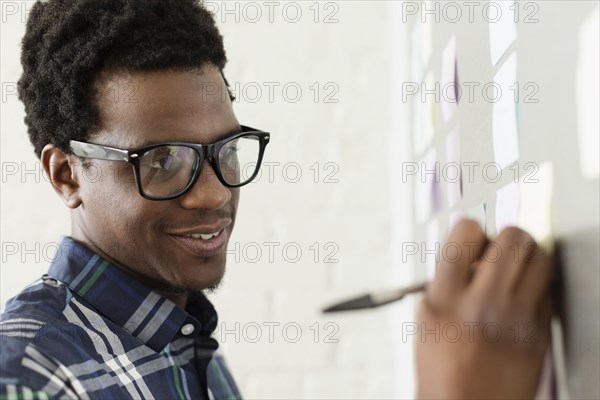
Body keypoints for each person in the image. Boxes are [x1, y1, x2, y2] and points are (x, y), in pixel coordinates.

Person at [0, 0, 553, 399]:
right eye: (165, 162)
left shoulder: (180, 335)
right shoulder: (29, 379)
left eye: (226, 150)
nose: (215, 194)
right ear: (66, 174)